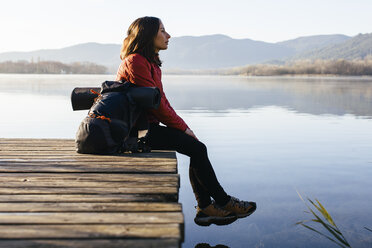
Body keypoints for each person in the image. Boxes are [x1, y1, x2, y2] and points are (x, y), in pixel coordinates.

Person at [116, 16, 256, 226]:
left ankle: (206, 207)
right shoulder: (135, 62)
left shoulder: (150, 64)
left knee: (196, 147)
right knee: (197, 148)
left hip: (146, 128)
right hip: (135, 133)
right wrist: (183, 128)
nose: (168, 35)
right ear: (147, 34)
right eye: (162, 31)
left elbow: (161, 101)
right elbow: (156, 106)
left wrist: (184, 128)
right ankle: (219, 202)